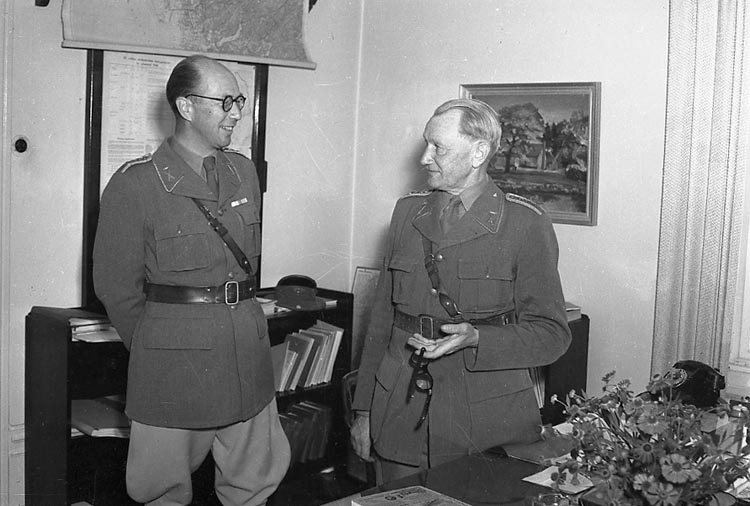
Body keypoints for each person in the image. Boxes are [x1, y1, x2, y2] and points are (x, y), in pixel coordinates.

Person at [93, 55, 290, 506]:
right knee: (162, 491)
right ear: (185, 107)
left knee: (254, 485)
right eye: (224, 102)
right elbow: (116, 288)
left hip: (247, 356)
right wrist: (159, 345)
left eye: (238, 101)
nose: (236, 113)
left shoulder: (244, 172)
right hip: (173, 368)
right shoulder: (136, 184)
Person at [349, 98, 572, 484]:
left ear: (478, 153)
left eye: (438, 147)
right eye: (426, 143)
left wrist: (479, 338)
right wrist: (364, 411)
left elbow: (552, 335)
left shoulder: (525, 223)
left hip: (485, 422)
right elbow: (381, 322)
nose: (424, 158)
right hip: (400, 409)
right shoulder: (407, 212)